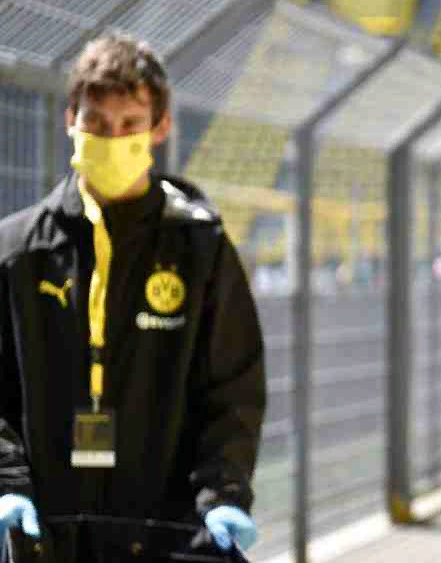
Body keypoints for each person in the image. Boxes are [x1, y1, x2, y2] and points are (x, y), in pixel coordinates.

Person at [0, 33, 266, 561]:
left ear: (160, 127)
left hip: (169, 534)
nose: (112, 137)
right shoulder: (17, 252)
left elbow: (234, 387)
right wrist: (6, 483)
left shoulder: (200, 248)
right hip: (46, 535)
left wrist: (223, 493)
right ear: (70, 119)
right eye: (97, 123)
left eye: (129, 125)